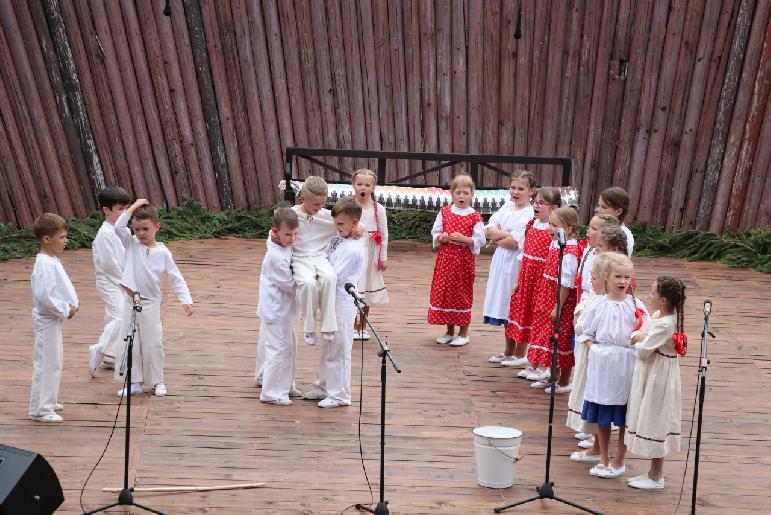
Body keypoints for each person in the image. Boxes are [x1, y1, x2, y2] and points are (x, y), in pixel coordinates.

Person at [113, 199, 193, 397]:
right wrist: (132, 207)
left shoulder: (163, 252)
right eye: (137, 229)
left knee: (152, 343)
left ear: (157, 227)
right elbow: (118, 227)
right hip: (130, 301)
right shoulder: (130, 243)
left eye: (145, 229)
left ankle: (157, 381)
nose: (141, 233)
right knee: (131, 342)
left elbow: (175, 277)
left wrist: (186, 299)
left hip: (150, 304)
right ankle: (135, 382)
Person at [579, 253, 648, 479]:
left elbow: (645, 330)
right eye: (618, 276)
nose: (622, 281)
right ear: (606, 278)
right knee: (603, 413)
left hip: (626, 364)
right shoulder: (599, 304)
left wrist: (638, 340)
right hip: (603, 364)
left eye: (627, 277)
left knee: (624, 413)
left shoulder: (636, 305)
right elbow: (586, 332)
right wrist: (594, 348)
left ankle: (619, 460)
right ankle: (603, 458)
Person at [303, 196, 365, 408]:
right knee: (328, 346)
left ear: (354, 223)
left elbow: (333, 274)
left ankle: (340, 395)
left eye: (341, 224)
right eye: (335, 223)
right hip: (330, 299)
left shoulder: (353, 248)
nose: (336, 228)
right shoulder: (340, 239)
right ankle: (323, 386)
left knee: (339, 348)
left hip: (341, 301)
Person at [625, 276, 687, 490]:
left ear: (663, 300)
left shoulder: (665, 325)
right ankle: (653, 472)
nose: (649, 296)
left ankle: (656, 476)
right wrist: (641, 336)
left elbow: (643, 350)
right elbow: (644, 334)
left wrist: (637, 338)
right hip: (655, 371)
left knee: (656, 418)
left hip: (659, 376)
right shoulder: (661, 316)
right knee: (653, 416)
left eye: (652, 293)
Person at [502, 187, 562, 368]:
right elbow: (523, 255)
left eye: (542, 203)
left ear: (554, 208)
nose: (536, 205)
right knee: (522, 313)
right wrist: (518, 280)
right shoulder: (530, 225)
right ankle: (520, 353)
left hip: (542, 280)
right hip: (527, 277)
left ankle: (535, 360)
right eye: (535, 202)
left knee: (539, 318)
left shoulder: (555, 233)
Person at [524, 207, 583, 391]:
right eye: (550, 223)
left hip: (560, 300)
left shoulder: (570, 252)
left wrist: (558, 306)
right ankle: (552, 375)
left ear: (569, 229)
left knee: (561, 338)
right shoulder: (556, 244)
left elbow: (566, 284)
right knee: (548, 336)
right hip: (547, 295)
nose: (550, 228)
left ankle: (564, 381)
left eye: (555, 225)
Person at [28, 213, 79, 423]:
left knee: (55, 361)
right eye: (62, 237)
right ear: (46, 239)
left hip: (53, 321)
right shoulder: (44, 264)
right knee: (47, 363)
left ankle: (48, 398)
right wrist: (65, 310)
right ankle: (41, 408)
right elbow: (45, 297)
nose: (65, 241)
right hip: (47, 320)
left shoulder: (52, 260)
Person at [428, 174, 486, 346]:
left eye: (466, 193)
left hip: (463, 260)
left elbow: (480, 240)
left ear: (472, 195)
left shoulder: (474, 216)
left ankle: (464, 332)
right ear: (452, 194)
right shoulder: (445, 212)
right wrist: (442, 238)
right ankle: (449, 331)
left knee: (461, 292)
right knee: (446, 291)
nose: (462, 196)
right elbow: (435, 232)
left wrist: (464, 239)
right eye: (458, 193)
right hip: (446, 259)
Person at [482, 171, 536, 339]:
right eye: (513, 187)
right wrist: (506, 234)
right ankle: (507, 350)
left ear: (531, 191)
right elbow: (489, 230)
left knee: (512, 301)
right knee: (501, 298)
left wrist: (501, 236)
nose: (515, 192)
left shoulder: (529, 212)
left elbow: (515, 243)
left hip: (515, 261)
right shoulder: (507, 207)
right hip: (500, 259)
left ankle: (516, 351)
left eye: (521, 188)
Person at [567, 254, 611, 462]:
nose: (589, 282)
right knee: (591, 395)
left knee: (600, 398)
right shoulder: (595, 294)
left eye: (593, 277)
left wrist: (582, 327)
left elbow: (586, 326)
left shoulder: (609, 302)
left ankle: (598, 447)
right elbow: (584, 308)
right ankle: (594, 440)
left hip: (601, 356)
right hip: (591, 354)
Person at [256, 206, 301, 406]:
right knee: (277, 349)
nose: (292, 238)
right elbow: (291, 285)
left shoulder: (282, 245)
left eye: (295, 234)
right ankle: (271, 392)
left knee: (289, 347)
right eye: (287, 234)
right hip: (275, 310)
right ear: (275, 232)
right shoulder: (275, 257)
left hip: (286, 309)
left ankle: (286, 384)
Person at [89, 186, 131, 376]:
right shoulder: (104, 233)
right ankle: (99, 348)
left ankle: (110, 357)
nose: (123, 213)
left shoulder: (120, 230)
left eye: (125, 209)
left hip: (121, 280)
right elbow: (109, 264)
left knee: (113, 316)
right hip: (109, 281)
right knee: (121, 315)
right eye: (119, 209)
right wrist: (125, 282)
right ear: (106, 210)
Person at [291, 176, 339, 346]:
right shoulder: (292, 214)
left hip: (320, 257)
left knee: (330, 278)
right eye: (316, 205)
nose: (320, 208)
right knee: (308, 284)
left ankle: (328, 326)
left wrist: (360, 228)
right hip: (300, 257)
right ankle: (309, 328)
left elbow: (348, 223)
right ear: (302, 199)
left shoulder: (327, 216)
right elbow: (276, 230)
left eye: (323, 203)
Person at [351, 169, 389, 340]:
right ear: (353, 185)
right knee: (353, 286)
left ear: (373, 187)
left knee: (366, 287)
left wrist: (383, 257)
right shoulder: (348, 205)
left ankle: (362, 326)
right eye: (359, 184)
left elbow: (384, 234)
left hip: (371, 252)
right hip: (352, 250)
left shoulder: (378, 209)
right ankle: (351, 324)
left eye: (367, 184)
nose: (363, 188)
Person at [597, 187, 634, 256]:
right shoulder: (602, 227)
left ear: (619, 211)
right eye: (599, 206)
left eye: (604, 207)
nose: (598, 210)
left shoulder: (623, 234)